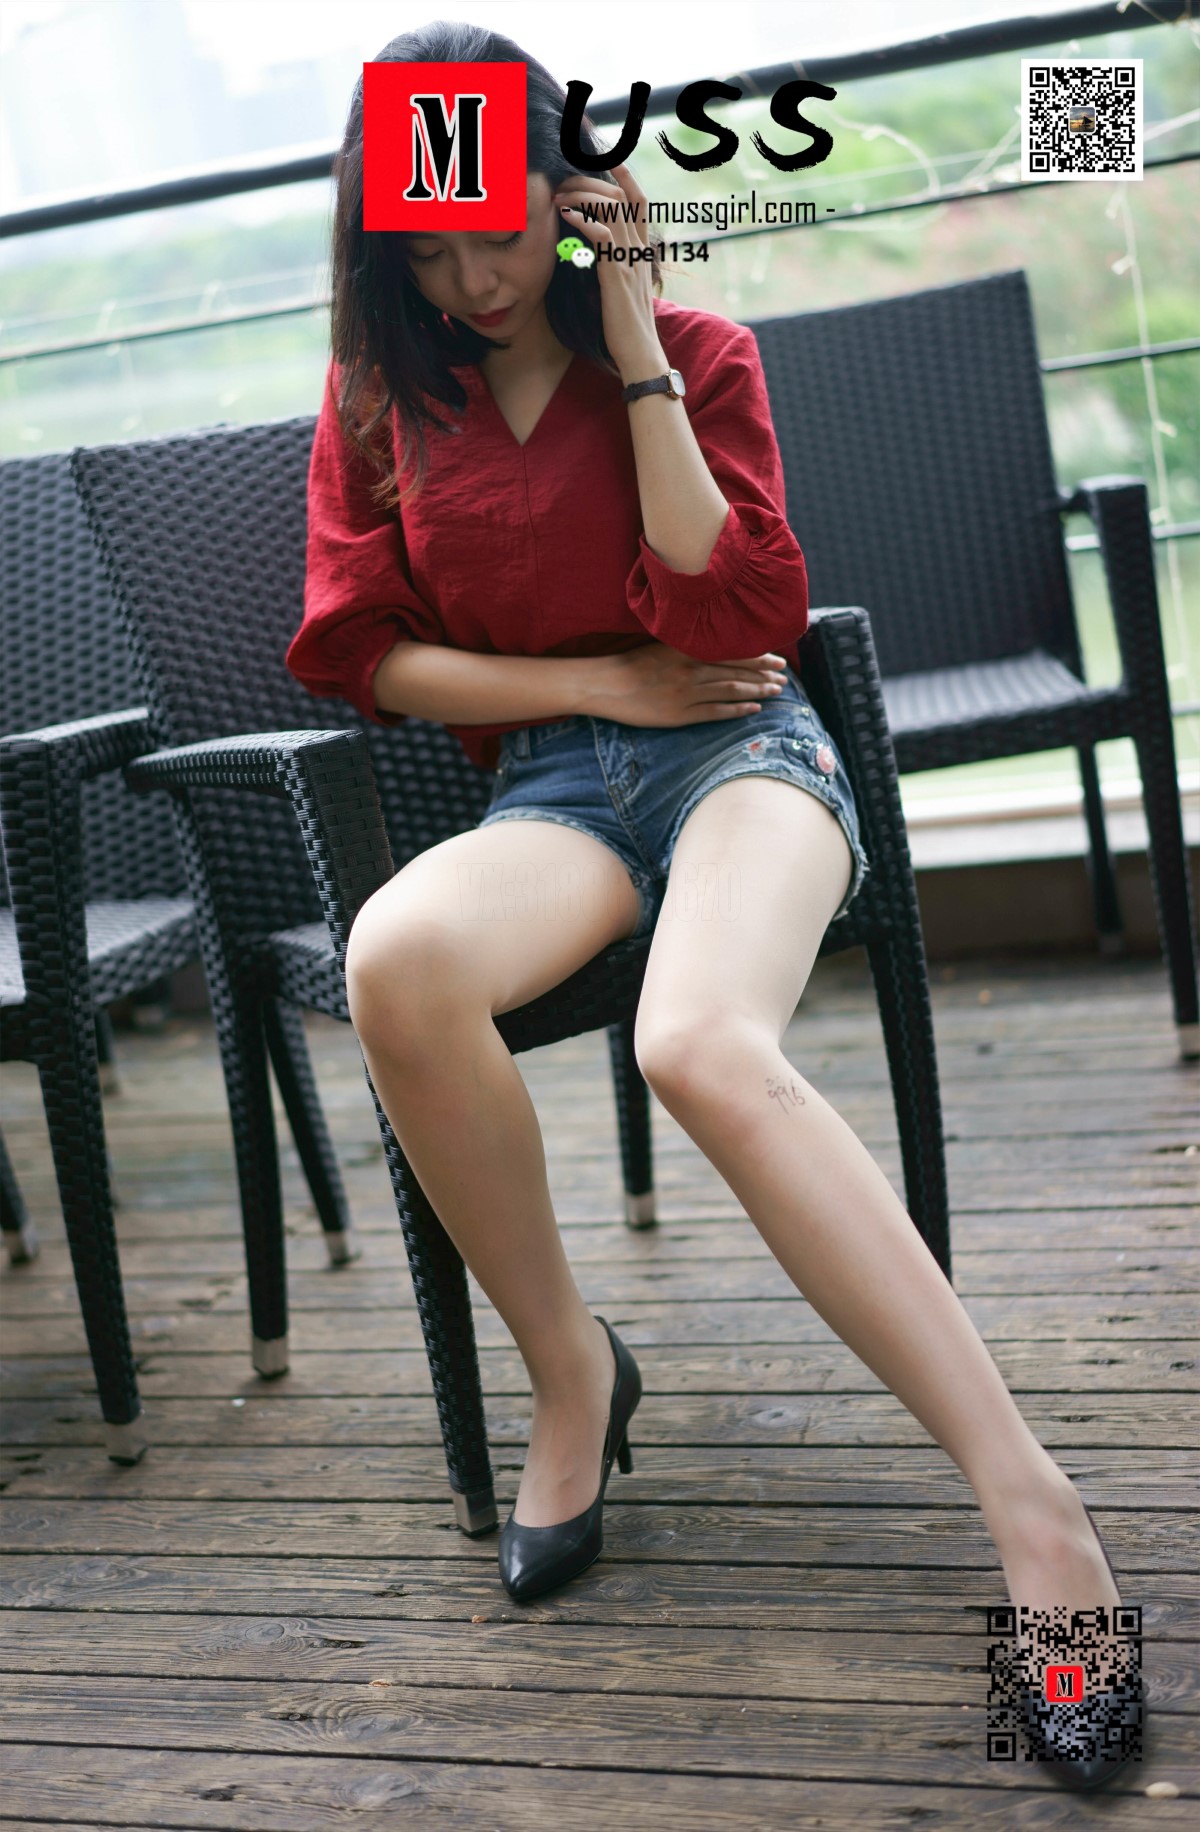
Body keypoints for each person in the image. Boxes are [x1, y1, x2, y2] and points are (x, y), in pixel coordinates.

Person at [286, 22, 1142, 1789]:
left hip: (750, 752)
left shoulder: (696, 354)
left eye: (498, 231)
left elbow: (739, 607)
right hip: (558, 787)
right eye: (427, 252)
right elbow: (367, 655)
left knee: (694, 1041)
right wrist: (594, 688)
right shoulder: (384, 406)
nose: (471, 280)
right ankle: (571, 1373)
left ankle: (1038, 1516)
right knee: (396, 958)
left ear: (568, 195)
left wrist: (636, 341)